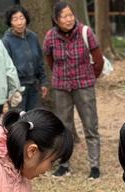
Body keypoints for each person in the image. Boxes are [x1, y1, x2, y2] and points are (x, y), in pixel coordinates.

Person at [43, 1, 104, 180]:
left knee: (90, 126)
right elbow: (50, 60)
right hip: (61, 87)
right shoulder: (50, 36)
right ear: (56, 19)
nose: (69, 19)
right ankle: (64, 165)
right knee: (64, 127)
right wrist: (60, 75)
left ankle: (94, 167)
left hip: (84, 86)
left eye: (71, 15)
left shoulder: (86, 32)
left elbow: (98, 59)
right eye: (64, 16)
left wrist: (89, 77)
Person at [2, 5, 48, 111]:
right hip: (17, 88)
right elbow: (5, 68)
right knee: (18, 121)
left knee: (33, 119)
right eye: (15, 19)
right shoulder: (6, 41)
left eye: (22, 18)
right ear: (10, 22)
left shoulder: (33, 37)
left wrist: (43, 82)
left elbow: (40, 62)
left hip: (34, 86)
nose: (19, 22)